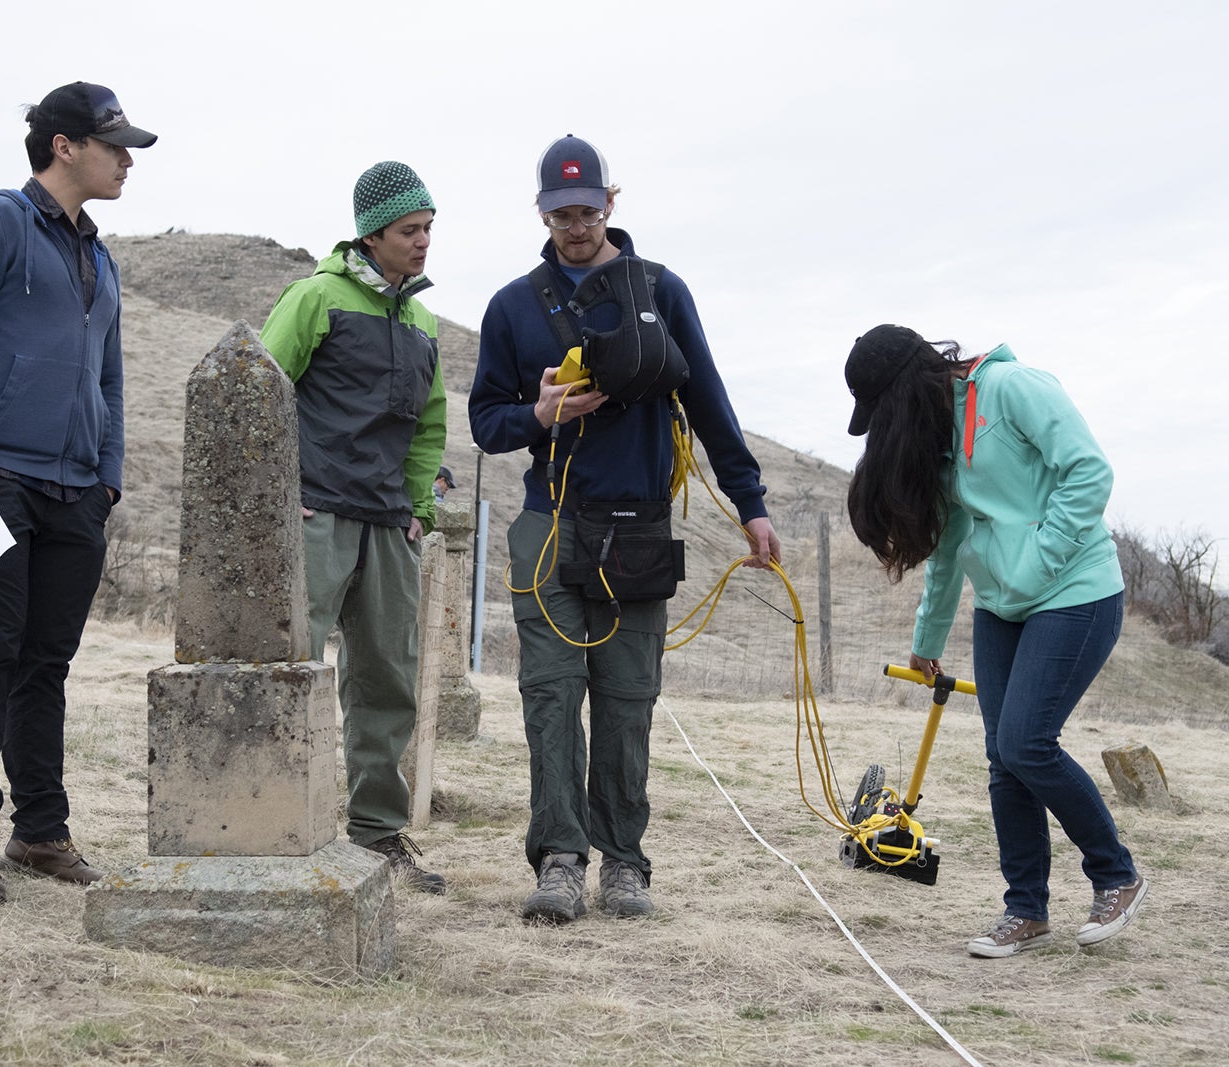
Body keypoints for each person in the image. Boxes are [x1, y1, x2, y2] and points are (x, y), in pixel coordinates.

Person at [469, 134, 781, 923]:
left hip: (637, 525)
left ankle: (624, 864)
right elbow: (485, 421)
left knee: (626, 698)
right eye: (559, 213)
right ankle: (560, 860)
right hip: (548, 527)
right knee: (550, 694)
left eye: (586, 210)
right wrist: (536, 413)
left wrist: (751, 504)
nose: (574, 226)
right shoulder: (511, 307)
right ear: (539, 213)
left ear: (612, 202)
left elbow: (708, 398)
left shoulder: (663, 291)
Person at [0, 82, 157, 902]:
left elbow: (110, 378)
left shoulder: (98, 253)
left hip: (77, 491)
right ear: (64, 146)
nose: (128, 160)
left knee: (47, 663)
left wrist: (108, 475)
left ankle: (41, 833)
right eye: (115, 144)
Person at [843, 323, 1147, 958]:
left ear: (909, 387)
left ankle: (1115, 875)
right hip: (1001, 609)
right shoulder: (939, 433)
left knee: (1027, 744)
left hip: (1076, 593)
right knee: (1003, 761)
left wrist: (1037, 565)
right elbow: (952, 544)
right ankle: (1026, 910)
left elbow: (1089, 473)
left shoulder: (1014, 389)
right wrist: (928, 635)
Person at [259, 161, 448, 894]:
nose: (424, 241)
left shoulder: (426, 321)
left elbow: (429, 426)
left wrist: (417, 511)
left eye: (429, 227)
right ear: (372, 235)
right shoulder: (313, 298)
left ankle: (376, 835)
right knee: (292, 669)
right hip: (316, 515)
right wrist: (284, 494)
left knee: (387, 682)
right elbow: (261, 390)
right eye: (410, 230)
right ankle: (277, 825)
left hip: (388, 526)